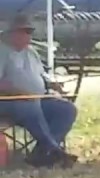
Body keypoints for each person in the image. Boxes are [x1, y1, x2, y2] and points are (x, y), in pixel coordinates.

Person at [0, 16, 78, 168]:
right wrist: (18, 93)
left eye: (30, 31)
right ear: (12, 33)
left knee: (67, 109)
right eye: (24, 31)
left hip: (36, 99)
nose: (28, 35)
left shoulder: (31, 52)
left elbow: (41, 75)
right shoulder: (2, 51)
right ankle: (54, 150)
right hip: (8, 102)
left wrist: (52, 84)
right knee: (29, 106)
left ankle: (41, 154)